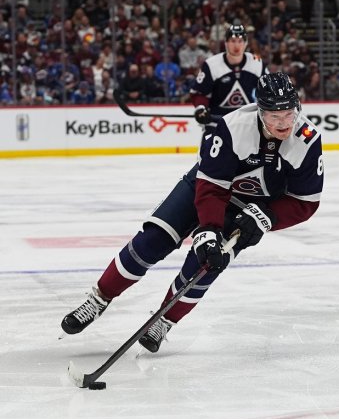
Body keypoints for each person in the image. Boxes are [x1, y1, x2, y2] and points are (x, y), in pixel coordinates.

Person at [60, 73, 324, 353]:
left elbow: (305, 201)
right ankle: (98, 298)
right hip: (206, 188)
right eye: (274, 116)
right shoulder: (233, 127)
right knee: (151, 241)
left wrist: (267, 216)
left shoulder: (307, 140)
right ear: (260, 111)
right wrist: (208, 228)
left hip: (250, 207)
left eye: (289, 114)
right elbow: (210, 185)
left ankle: (164, 321)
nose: (284, 123)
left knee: (207, 264)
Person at [190, 22, 268, 137]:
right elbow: (199, 93)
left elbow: (268, 91)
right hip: (217, 123)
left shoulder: (257, 62)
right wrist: (201, 108)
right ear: (226, 43)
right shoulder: (212, 64)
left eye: (240, 41)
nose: (236, 45)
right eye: (232, 41)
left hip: (248, 122)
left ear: (246, 43)